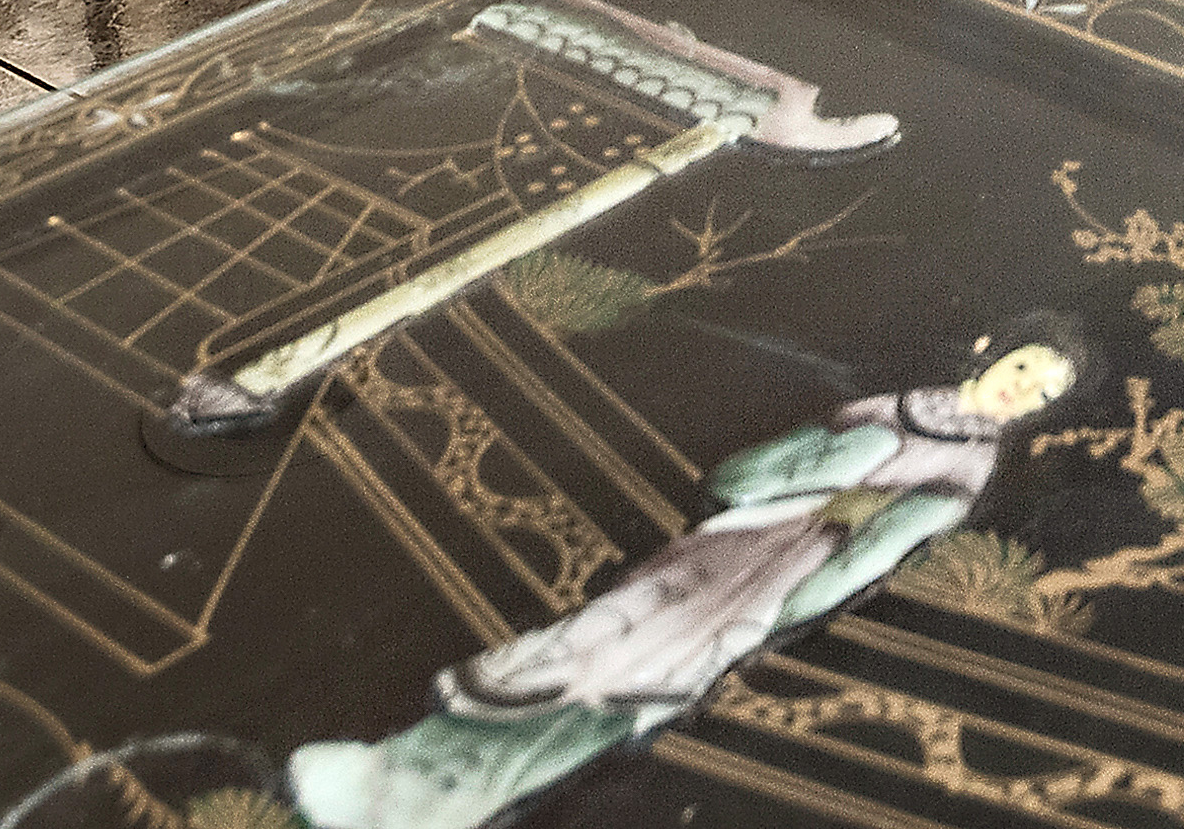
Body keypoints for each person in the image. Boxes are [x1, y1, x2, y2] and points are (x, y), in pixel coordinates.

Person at [286, 331, 1080, 829]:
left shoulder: (968, 467)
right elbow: (745, 473)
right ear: (990, 350)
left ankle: (447, 801)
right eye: (1024, 365)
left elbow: (869, 557)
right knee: (584, 638)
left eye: (1042, 391)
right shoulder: (890, 404)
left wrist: (780, 601)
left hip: (769, 574)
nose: (1022, 387)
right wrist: (814, 465)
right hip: (723, 539)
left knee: (625, 675)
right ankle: (391, 768)